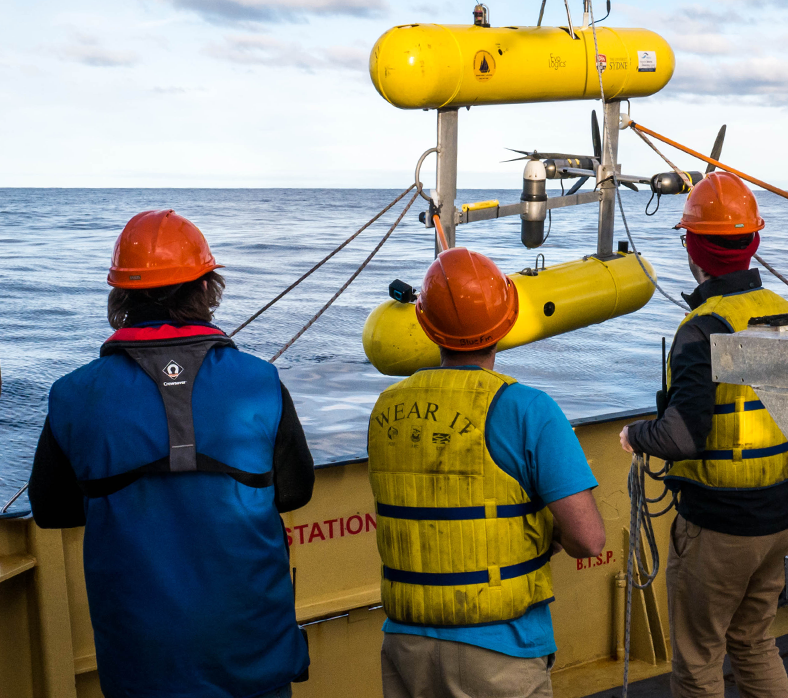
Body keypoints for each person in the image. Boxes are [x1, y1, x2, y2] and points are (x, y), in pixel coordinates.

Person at [29, 209, 313, 698]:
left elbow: (53, 509)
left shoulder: (73, 393)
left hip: (140, 660)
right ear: (206, 290)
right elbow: (294, 491)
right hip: (252, 651)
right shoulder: (259, 381)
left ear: (120, 297)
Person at [368, 247, 605, 698]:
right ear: (509, 320)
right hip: (501, 651)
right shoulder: (528, 409)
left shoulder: (387, 409)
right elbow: (588, 538)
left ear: (423, 324)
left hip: (405, 643)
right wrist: (542, 535)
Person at [619, 171, 788, 698]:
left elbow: (682, 435)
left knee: (699, 659)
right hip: (783, 517)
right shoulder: (783, 311)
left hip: (723, 526)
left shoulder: (701, 328)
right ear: (754, 242)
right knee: (754, 641)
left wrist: (637, 434)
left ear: (693, 247)